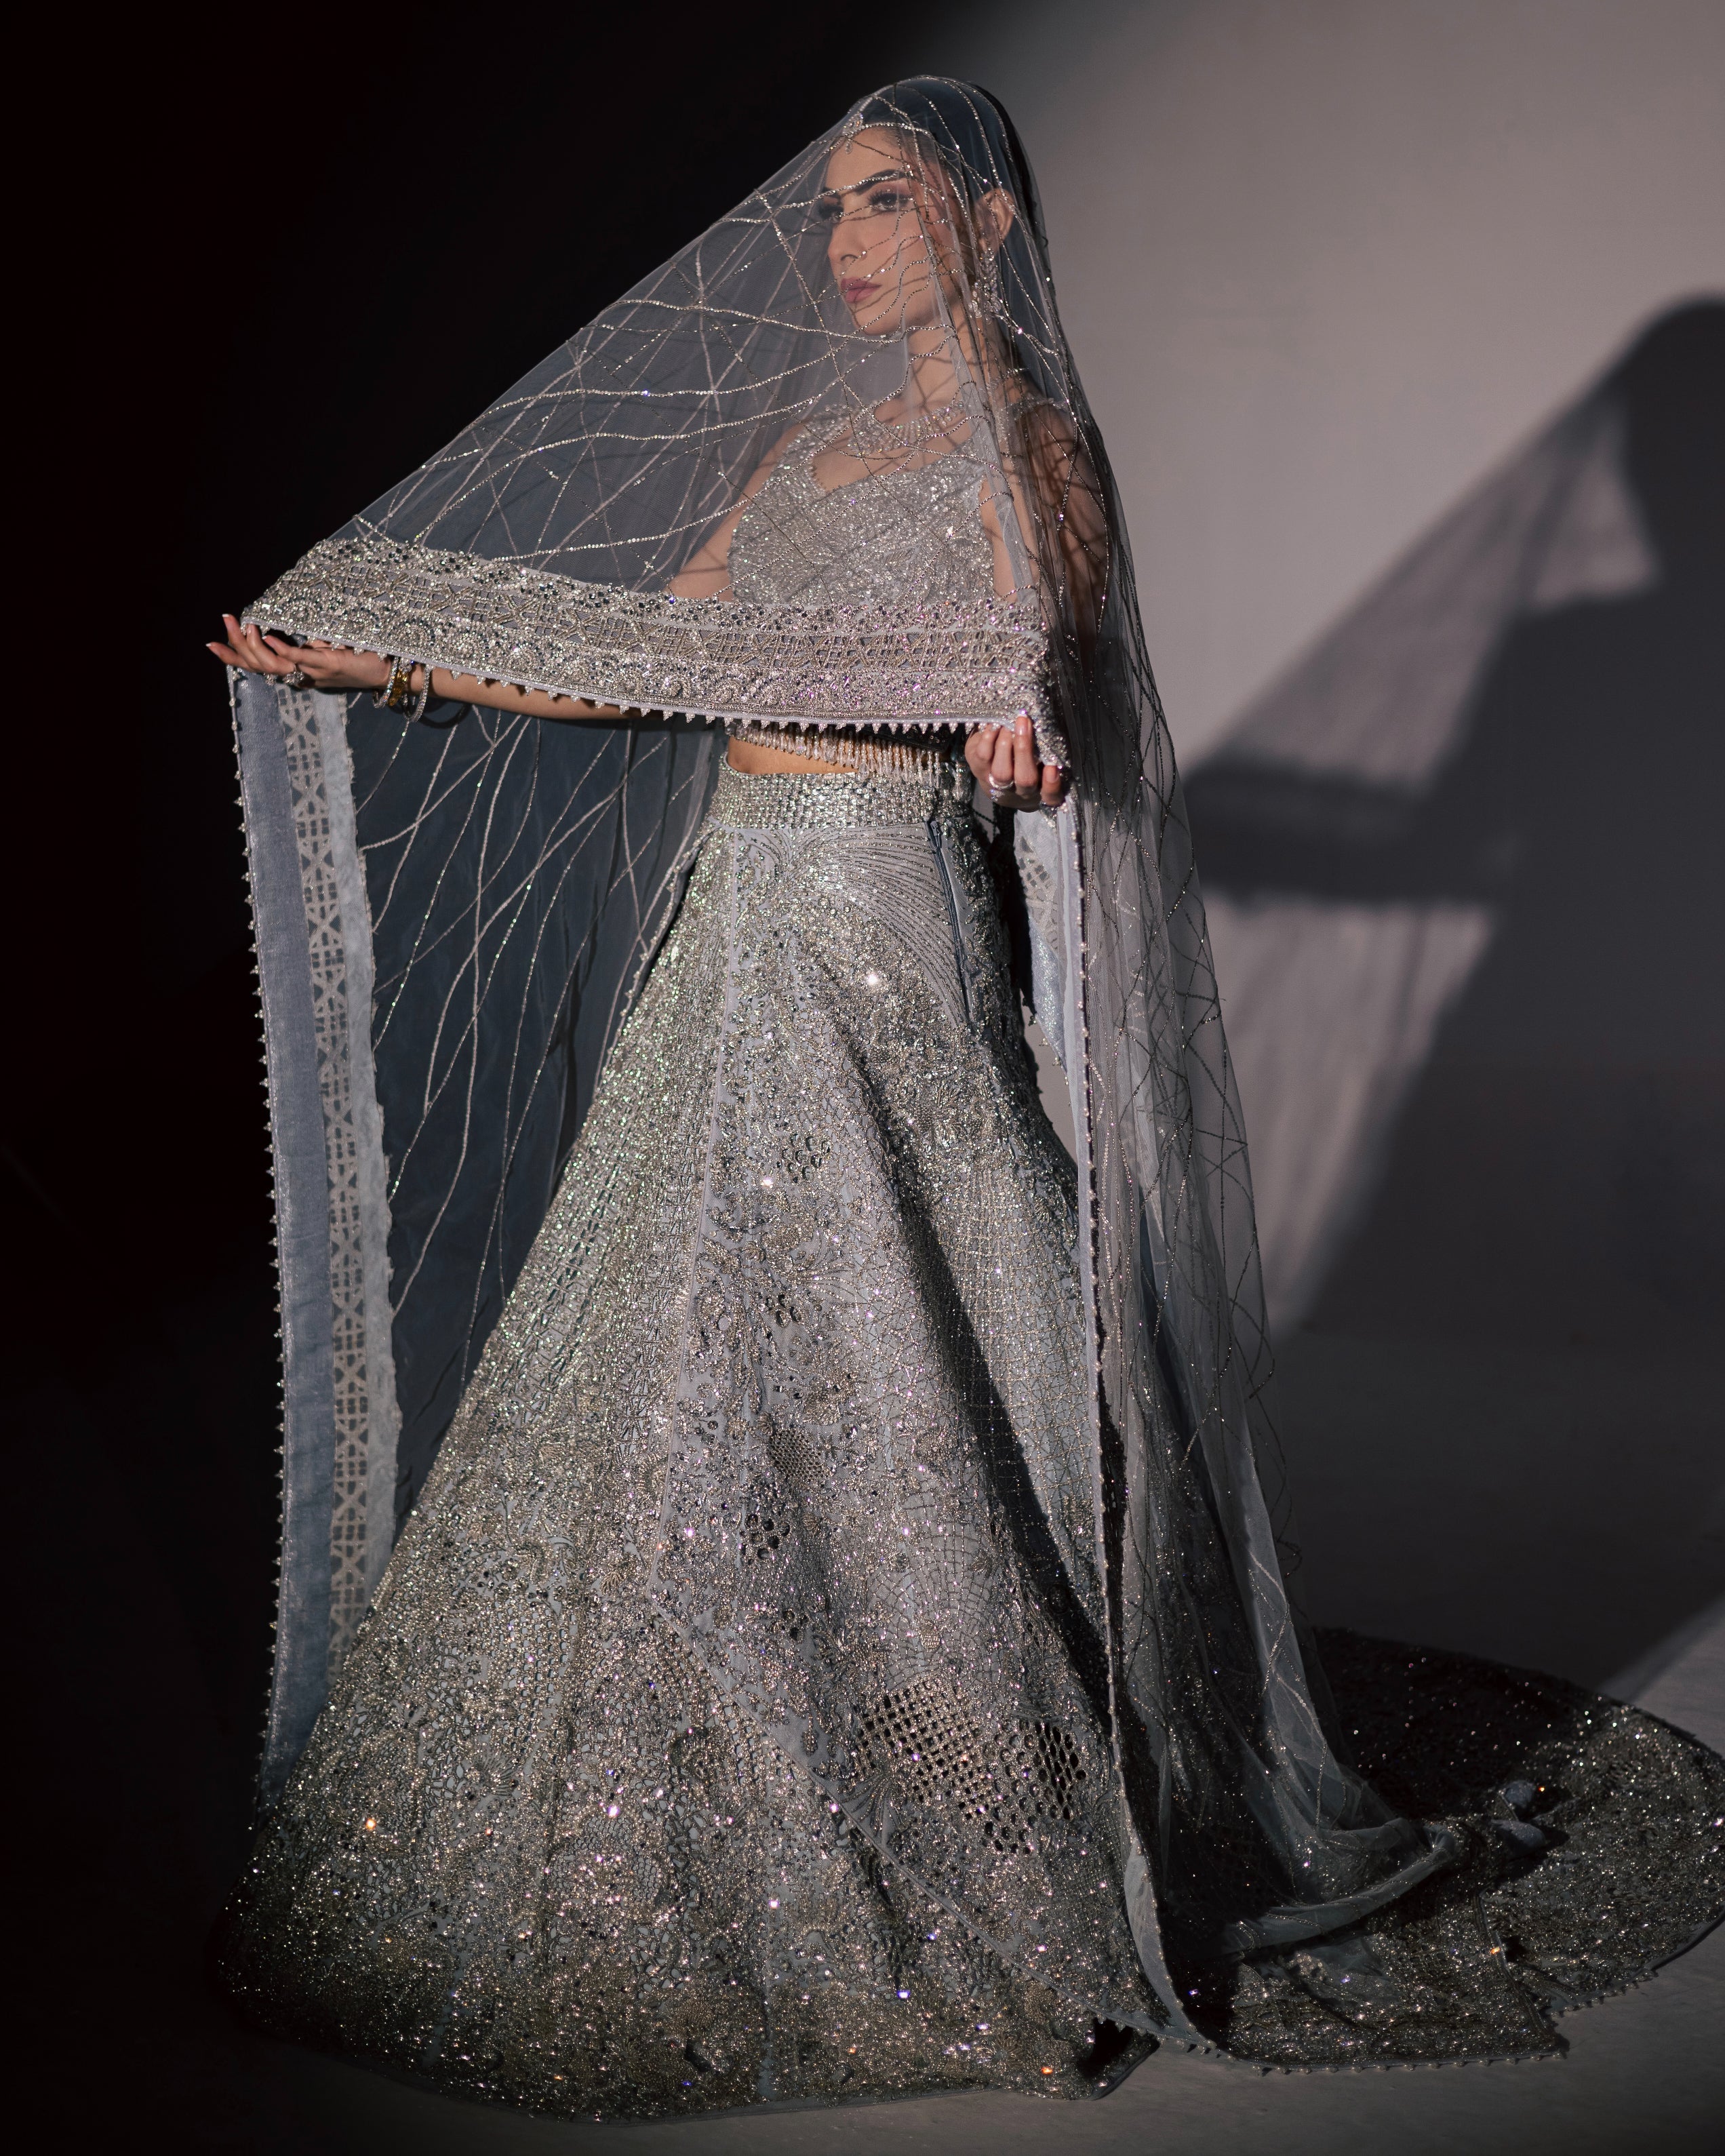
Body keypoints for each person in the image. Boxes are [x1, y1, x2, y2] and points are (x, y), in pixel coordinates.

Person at [209, 81, 1722, 2118]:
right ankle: (715, 1772)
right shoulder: (805, 446)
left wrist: (1033, 743)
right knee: (688, 1342)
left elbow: (1061, 689)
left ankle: (1007, 1842)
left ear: (986, 226)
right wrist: (385, 669)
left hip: (889, 919)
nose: (847, 245)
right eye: (833, 210)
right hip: (744, 922)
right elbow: (650, 654)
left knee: (919, 1324)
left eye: (887, 204)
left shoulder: (1032, 450)